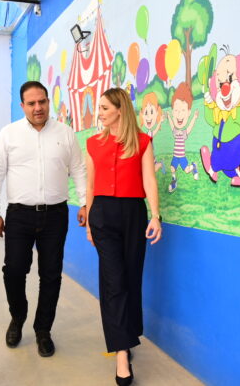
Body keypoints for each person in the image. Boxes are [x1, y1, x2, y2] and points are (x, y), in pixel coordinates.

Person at [0, 81, 87, 358]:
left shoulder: (65, 133)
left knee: (51, 274)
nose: (38, 107)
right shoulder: (9, 134)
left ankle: (43, 330)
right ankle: (18, 317)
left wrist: (85, 202)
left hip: (56, 215)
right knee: (14, 271)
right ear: (23, 106)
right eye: (31, 103)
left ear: (48, 102)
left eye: (42, 101)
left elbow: (79, 169)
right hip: (19, 215)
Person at [85, 87, 162, 386]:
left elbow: (149, 180)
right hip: (102, 216)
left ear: (120, 110)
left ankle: (127, 337)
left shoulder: (142, 142)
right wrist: (89, 223)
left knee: (130, 279)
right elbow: (90, 186)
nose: (100, 113)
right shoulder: (93, 144)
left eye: (105, 108)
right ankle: (121, 353)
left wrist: (155, 215)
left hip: (133, 214)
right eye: (100, 108)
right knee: (114, 282)